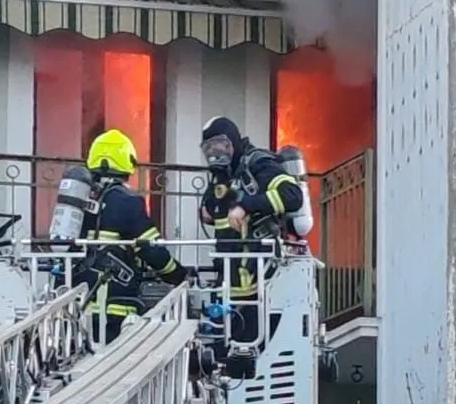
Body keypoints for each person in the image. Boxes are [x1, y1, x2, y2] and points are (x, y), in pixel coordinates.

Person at [199, 116, 303, 346]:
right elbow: (209, 211)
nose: (215, 153)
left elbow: (292, 196)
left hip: (261, 286)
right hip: (229, 286)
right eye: (209, 149)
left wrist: (246, 205)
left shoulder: (258, 164)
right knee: (223, 355)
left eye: (219, 145)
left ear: (233, 142)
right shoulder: (222, 177)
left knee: (251, 354)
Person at [77, 129, 187, 344]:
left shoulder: (78, 198)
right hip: (114, 308)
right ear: (127, 162)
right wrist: (178, 275)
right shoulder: (128, 201)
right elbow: (152, 251)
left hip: (75, 307)